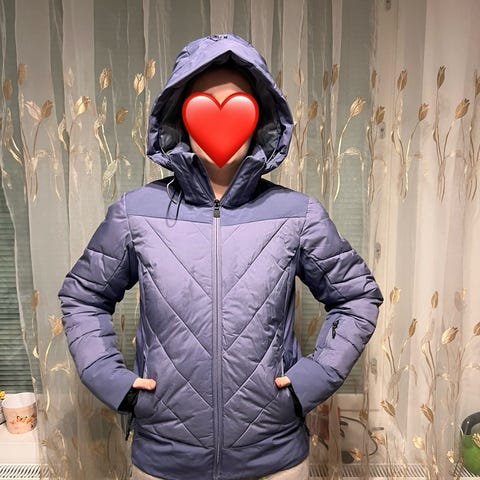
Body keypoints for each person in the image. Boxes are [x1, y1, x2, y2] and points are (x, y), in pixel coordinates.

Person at [59, 34, 383, 480]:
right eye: (202, 103)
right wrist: (115, 383)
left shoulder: (297, 215)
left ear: (260, 117)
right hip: (164, 462)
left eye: (238, 103)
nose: (220, 116)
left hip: (274, 459)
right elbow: (82, 297)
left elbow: (357, 297)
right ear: (180, 116)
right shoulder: (136, 213)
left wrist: (307, 383)